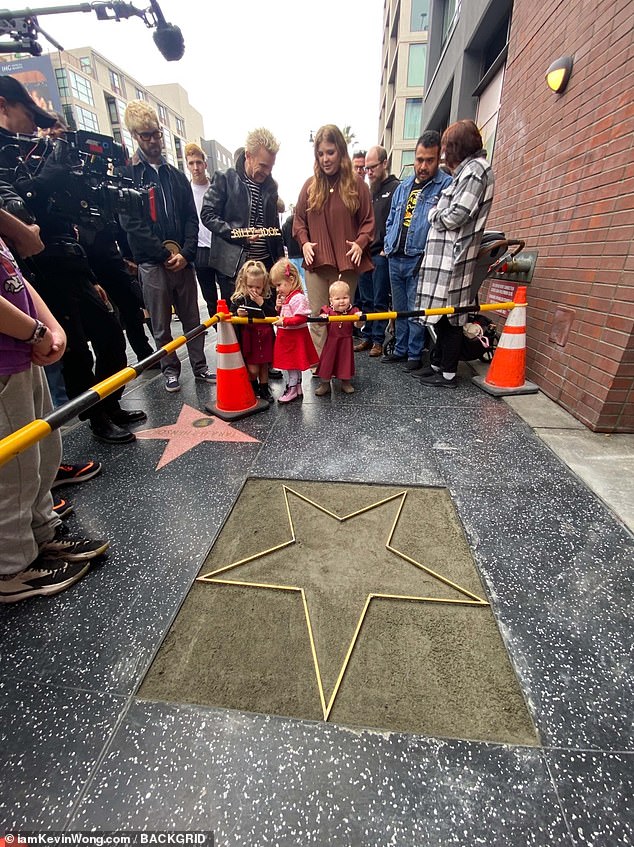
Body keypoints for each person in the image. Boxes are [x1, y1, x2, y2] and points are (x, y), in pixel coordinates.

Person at [0, 76, 146, 445]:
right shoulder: (7, 157)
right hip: (37, 267)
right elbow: (20, 211)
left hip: (73, 255)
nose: (34, 123)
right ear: (4, 105)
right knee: (76, 348)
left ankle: (110, 403)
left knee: (111, 332)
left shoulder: (41, 150)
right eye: (27, 112)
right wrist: (51, 173)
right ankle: (97, 418)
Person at [0, 209, 109, 604]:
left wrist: (49, 327)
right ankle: (13, 566)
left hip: (24, 355)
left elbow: (21, 276)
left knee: (44, 451)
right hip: (6, 358)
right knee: (14, 469)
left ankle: (43, 534)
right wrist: (35, 331)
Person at [119, 101, 215, 394]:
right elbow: (131, 223)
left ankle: (200, 367)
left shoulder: (175, 175)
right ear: (135, 136)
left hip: (183, 260)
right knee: (160, 323)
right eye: (146, 135)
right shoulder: (129, 174)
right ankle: (170, 369)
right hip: (151, 262)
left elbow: (190, 217)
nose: (153, 140)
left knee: (192, 320)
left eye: (156, 134)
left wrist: (185, 253)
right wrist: (164, 254)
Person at [414, 120, 495, 388]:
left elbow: (458, 212)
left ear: (456, 147)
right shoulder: (466, 171)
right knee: (441, 313)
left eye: (447, 147)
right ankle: (438, 365)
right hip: (445, 258)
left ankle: (447, 372)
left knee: (451, 316)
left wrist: (435, 214)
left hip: (455, 257)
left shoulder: (475, 171)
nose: (446, 154)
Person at [293, 124, 374, 355]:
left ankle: (342, 368)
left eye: (330, 152)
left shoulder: (357, 184)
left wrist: (360, 242)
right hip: (316, 264)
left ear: (341, 151)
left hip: (347, 263)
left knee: (343, 320)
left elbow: (368, 220)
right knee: (319, 321)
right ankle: (321, 370)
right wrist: (304, 241)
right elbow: (298, 220)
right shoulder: (309, 185)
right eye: (320, 153)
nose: (325, 159)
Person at [383, 131, 452, 371]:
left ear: (438, 158)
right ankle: (400, 350)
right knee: (400, 309)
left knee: (415, 310)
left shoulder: (445, 185)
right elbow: (391, 218)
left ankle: (414, 354)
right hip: (395, 255)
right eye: (419, 159)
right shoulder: (403, 187)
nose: (423, 166)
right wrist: (387, 245)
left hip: (419, 256)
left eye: (429, 160)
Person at [201, 128, 284, 300]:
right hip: (234, 268)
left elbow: (275, 227)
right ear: (248, 155)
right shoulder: (225, 178)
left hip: (266, 267)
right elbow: (207, 214)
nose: (267, 172)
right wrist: (239, 235)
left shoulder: (271, 186)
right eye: (263, 165)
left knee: (267, 320)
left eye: (271, 166)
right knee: (237, 320)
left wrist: (280, 261)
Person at [354, 145, 400, 358]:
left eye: (372, 167)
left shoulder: (395, 188)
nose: (369, 172)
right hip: (365, 253)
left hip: (381, 254)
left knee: (380, 300)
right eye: (366, 168)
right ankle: (368, 336)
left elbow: (397, 222)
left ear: (384, 164)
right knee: (366, 300)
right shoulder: (367, 192)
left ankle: (378, 340)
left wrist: (387, 249)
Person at [270, 259, 318, 404]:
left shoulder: (297, 298)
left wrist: (284, 321)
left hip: (293, 337)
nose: (277, 289)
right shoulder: (289, 297)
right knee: (293, 364)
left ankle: (292, 389)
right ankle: (297, 388)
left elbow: (300, 318)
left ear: (291, 280)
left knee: (291, 365)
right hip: (289, 337)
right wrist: (278, 307)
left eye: (279, 285)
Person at [230, 259, 276, 403]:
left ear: (264, 286)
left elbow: (273, 315)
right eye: (250, 286)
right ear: (243, 283)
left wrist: (262, 303)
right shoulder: (239, 299)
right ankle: (253, 386)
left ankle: (264, 388)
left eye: (258, 287)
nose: (254, 290)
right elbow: (231, 318)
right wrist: (238, 314)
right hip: (248, 339)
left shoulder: (267, 298)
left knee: (264, 366)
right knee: (253, 369)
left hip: (265, 337)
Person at [185, 142, 220, 320]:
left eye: (199, 162)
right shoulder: (185, 191)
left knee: (229, 296)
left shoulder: (216, 187)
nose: (196, 167)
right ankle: (220, 334)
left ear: (205, 164)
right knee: (210, 299)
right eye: (191, 163)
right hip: (199, 250)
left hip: (219, 247)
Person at [315, 279, 362, 396]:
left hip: (346, 342)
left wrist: (360, 318)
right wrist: (322, 317)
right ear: (331, 300)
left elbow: (358, 325)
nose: (341, 301)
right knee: (327, 363)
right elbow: (320, 323)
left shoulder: (353, 311)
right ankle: (324, 384)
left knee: (345, 362)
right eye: (337, 298)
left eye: (345, 297)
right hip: (331, 342)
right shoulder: (328, 311)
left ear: (349, 297)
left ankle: (345, 382)